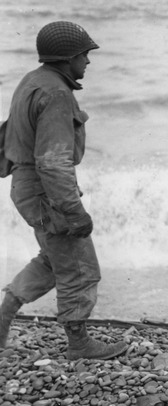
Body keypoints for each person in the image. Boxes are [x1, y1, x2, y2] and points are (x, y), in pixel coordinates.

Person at [0, 21, 127, 359]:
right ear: (67, 57)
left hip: (28, 186)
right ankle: (79, 342)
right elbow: (53, 162)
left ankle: (4, 313)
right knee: (79, 268)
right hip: (46, 190)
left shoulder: (33, 80)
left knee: (55, 260)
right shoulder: (55, 93)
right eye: (84, 54)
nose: (88, 61)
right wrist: (74, 211)